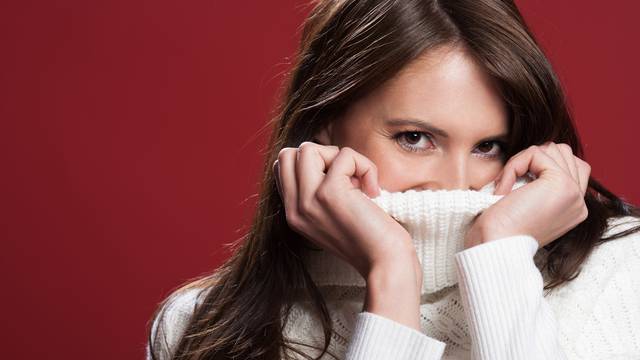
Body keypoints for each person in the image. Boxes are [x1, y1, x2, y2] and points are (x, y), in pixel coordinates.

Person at [145, 0, 640, 359]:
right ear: (325, 125)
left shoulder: (621, 275)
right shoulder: (195, 328)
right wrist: (392, 278)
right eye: (415, 138)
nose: (457, 184)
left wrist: (500, 255)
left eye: (489, 146)